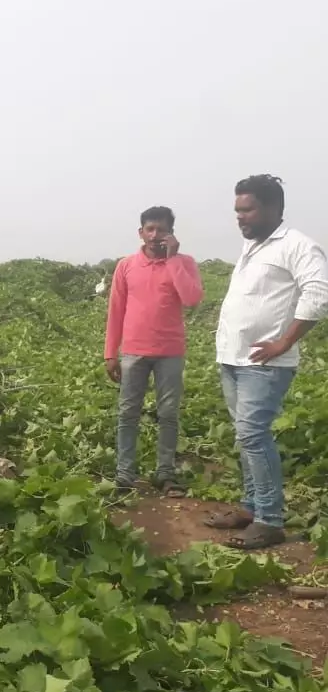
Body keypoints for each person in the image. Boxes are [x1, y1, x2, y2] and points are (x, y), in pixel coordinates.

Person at [204, 175, 328, 549]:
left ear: (274, 208)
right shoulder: (253, 246)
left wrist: (284, 341)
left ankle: (270, 520)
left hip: (265, 364)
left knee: (254, 435)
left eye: (248, 209)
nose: (240, 217)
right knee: (245, 437)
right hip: (234, 358)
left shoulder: (297, 245)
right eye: (238, 210)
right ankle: (250, 508)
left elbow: (319, 293)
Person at [104, 206, 204, 496]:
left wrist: (172, 260)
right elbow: (116, 310)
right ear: (141, 232)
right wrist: (111, 352)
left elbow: (192, 298)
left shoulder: (184, 263)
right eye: (150, 229)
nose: (155, 235)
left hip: (170, 351)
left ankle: (165, 473)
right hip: (133, 351)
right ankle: (125, 473)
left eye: (161, 230)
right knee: (127, 413)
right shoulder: (126, 265)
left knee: (169, 413)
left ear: (171, 233)